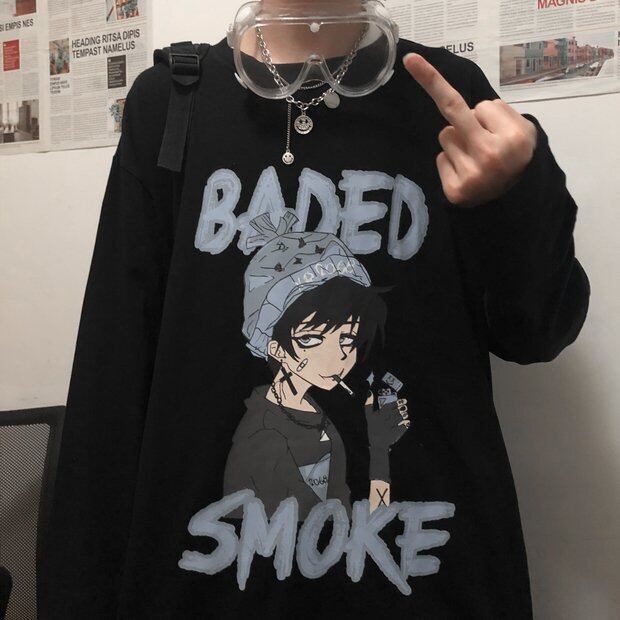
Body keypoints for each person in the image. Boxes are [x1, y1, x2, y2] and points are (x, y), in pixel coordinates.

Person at [40, 1, 590, 618]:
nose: (344, 349)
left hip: (426, 585)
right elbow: (112, 372)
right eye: (320, 333)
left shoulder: (447, 97)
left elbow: (537, 331)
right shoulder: (171, 103)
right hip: (212, 588)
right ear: (277, 340)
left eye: (347, 333)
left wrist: (521, 190)